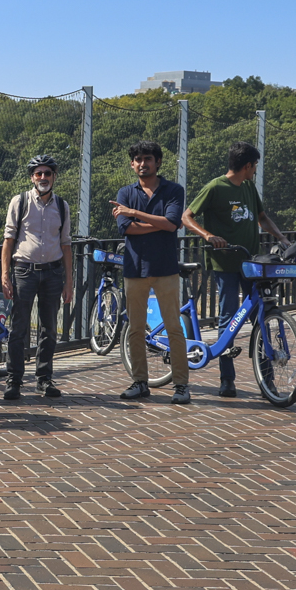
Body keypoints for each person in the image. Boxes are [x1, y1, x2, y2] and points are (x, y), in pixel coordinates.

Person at [182, 140, 289, 396]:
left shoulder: (249, 188)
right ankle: (227, 379)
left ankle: (268, 380)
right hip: (225, 263)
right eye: (255, 166)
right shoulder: (215, 187)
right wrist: (208, 236)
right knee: (228, 317)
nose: (255, 171)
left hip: (250, 264)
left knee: (262, 318)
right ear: (247, 165)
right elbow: (187, 217)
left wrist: (281, 238)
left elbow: (262, 218)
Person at [111, 140, 190, 403]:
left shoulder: (173, 190)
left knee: (173, 328)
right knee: (135, 329)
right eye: (138, 159)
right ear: (132, 164)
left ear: (158, 162)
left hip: (165, 268)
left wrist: (135, 214)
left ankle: (181, 385)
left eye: (148, 159)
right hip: (135, 268)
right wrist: (162, 223)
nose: (142, 163)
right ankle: (139, 382)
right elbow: (127, 229)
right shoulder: (124, 192)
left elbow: (172, 224)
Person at [0, 154, 72, 401]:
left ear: (54, 177)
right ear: (32, 177)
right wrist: (5, 275)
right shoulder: (19, 202)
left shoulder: (62, 206)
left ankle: (44, 379)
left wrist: (69, 282)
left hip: (53, 272)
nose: (43, 178)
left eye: (48, 173)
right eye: (38, 174)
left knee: (49, 329)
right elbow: (8, 241)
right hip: (24, 271)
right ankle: (14, 380)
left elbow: (66, 245)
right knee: (18, 329)